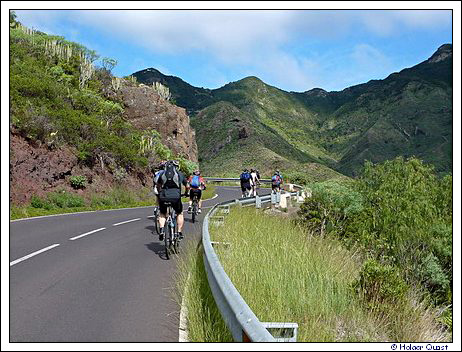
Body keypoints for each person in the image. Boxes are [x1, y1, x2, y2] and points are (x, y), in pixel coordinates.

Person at [156, 160, 189, 241]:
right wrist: (186, 193)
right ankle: (179, 232)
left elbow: (158, 185)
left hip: (163, 197)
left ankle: (162, 230)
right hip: (176, 197)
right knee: (179, 213)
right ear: (176, 167)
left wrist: (160, 193)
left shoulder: (162, 174)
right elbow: (187, 186)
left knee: (162, 214)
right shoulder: (179, 174)